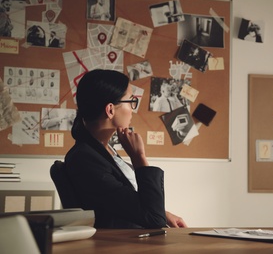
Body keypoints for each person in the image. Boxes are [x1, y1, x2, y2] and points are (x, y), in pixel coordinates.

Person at [65, 69, 187, 229]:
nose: (132, 110)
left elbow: (125, 203)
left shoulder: (100, 151)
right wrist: (139, 157)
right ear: (110, 110)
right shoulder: (85, 160)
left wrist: (164, 213)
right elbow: (153, 220)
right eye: (131, 101)